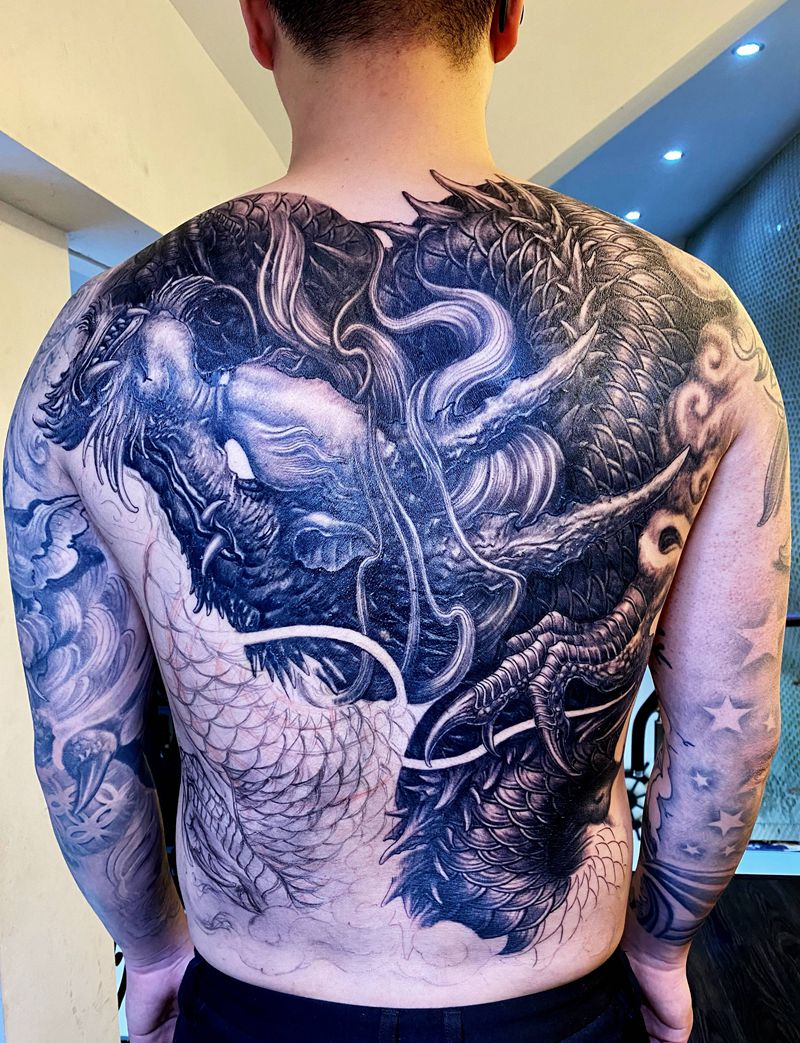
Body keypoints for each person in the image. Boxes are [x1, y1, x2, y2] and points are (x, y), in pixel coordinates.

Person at [2, 1, 789, 1041]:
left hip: (256, 1002)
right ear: (506, 18)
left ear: (257, 24)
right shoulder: (707, 331)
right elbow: (727, 730)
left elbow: (80, 745)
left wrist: (148, 951)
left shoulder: (91, 336)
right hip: (554, 998)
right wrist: (661, 945)